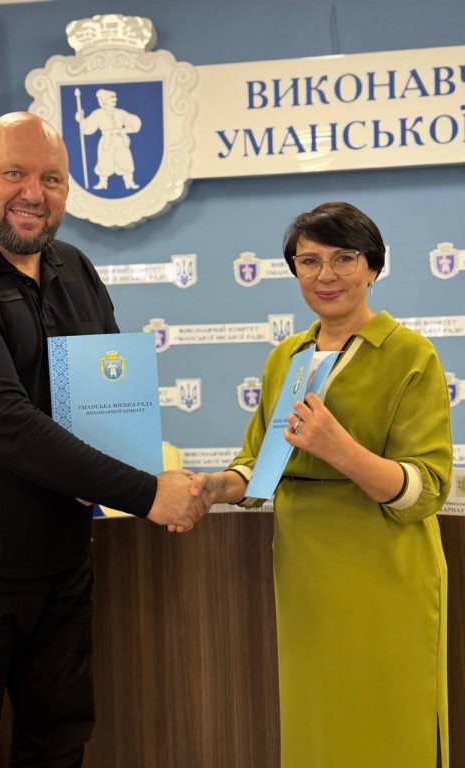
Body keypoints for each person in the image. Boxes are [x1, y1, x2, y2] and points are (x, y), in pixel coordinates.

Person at [0, 111, 206, 768]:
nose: (34, 193)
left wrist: (150, 472)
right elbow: (7, 425)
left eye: (52, 179)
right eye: (14, 173)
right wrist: (149, 493)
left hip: (61, 566)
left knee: (59, 746)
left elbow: (108, 394)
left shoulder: (74, 268)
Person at [190, 201, 453, 768]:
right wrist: (213, 488)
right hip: (305, 577)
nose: (325, 275)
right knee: (317, 732)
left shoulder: (410, 355)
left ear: (373, 266)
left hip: (385, 574)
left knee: (388, 727)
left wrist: (341, 449)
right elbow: (259, 467)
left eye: (344, 258)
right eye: (309, 261)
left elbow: (426, 488)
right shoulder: (286, 356)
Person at [75, 88, 141, 190]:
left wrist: (126, 130)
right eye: (111, 98)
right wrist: (81, 119)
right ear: (104, 100)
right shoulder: (98, 113)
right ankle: (102, 183)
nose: (114, 100)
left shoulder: (120, 113)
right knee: (104, 161)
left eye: (114, 98)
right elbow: (88, 128)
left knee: (125, 160)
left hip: (120, 139)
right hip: (106, 140)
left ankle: (129, 182)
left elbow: (134, 122)